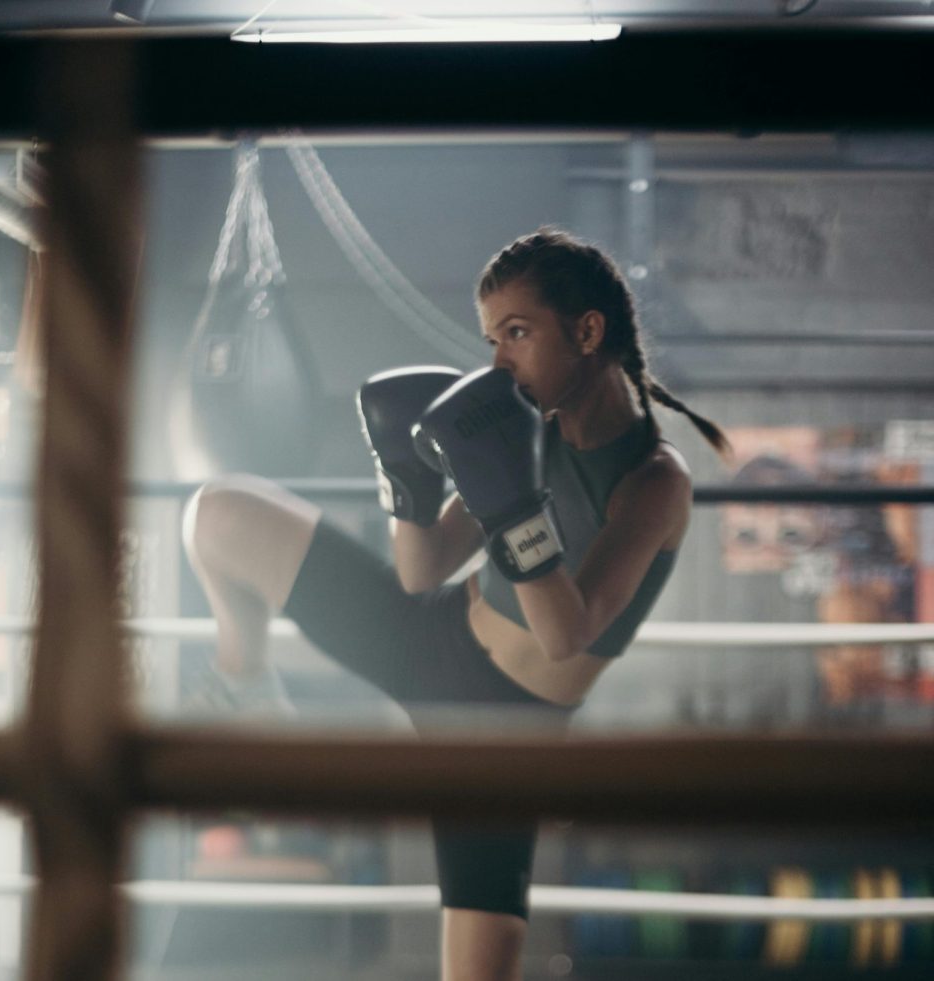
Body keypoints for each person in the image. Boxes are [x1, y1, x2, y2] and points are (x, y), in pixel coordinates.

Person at [182, 227, 730, 981]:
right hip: (428, 637)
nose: (499, 360)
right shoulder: (521, 429)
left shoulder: (653, 481)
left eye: (516, 333)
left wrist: (512, 508)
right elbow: (421, 571)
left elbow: (567, 632)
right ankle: (244, 681)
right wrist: (406, 480)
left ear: (588, 331)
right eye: (492, 339)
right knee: (217, 512)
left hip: (504, 736)